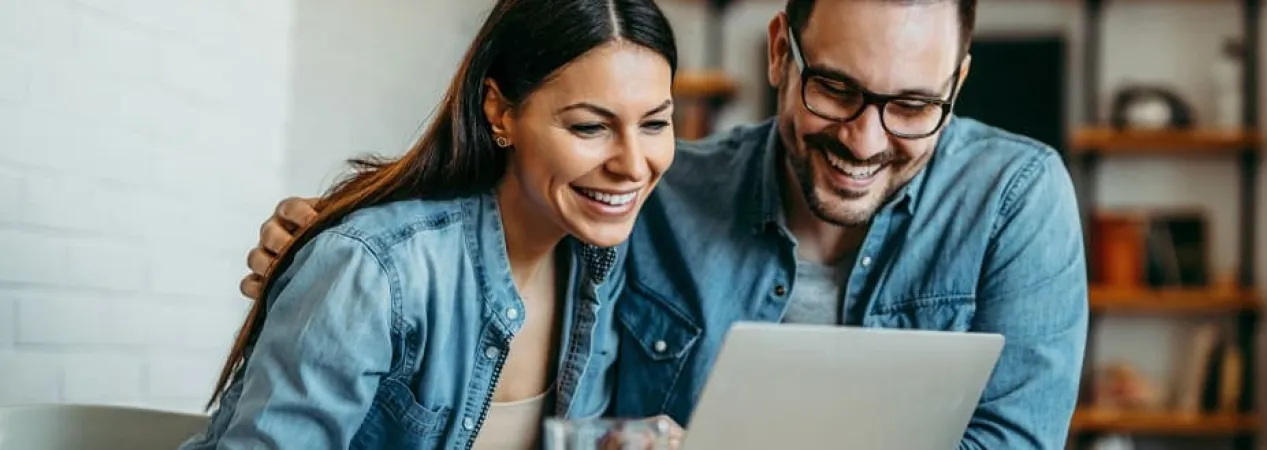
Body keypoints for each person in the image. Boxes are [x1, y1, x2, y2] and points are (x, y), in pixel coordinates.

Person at [246, 0, 1090, 447]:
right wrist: (346, 244)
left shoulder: (1015, 198)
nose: (865, 140)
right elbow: (503, 207)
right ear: (778, 54)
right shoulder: (661, 193)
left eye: (913, 106)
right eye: (834, 88)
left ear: (959, 82)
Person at [188, 0, 683, 448]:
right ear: (500, 112)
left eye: (655, 123)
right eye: (589, 127)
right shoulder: (377, 269)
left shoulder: (597, 266)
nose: (634, 165)